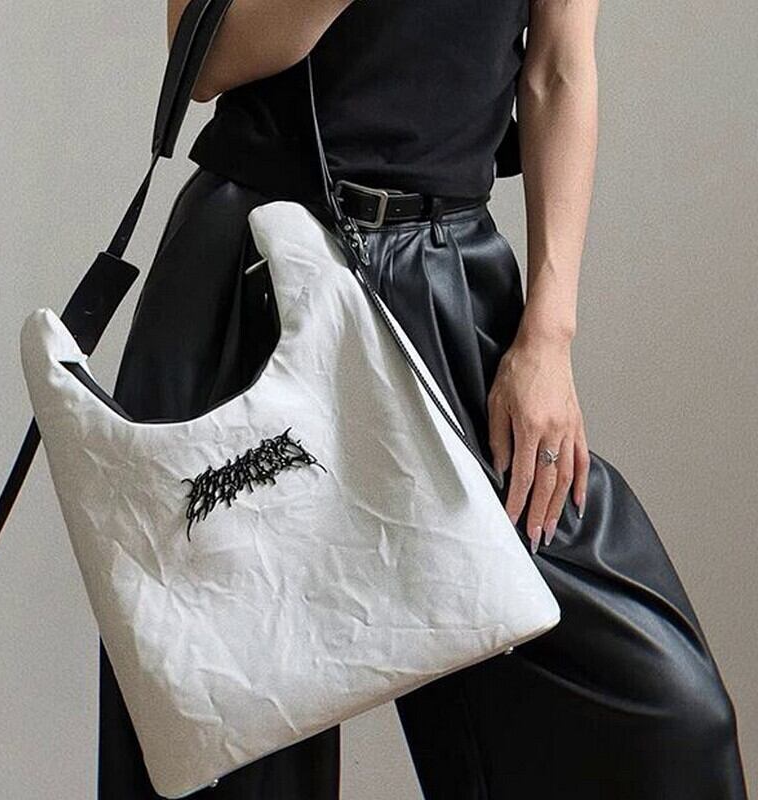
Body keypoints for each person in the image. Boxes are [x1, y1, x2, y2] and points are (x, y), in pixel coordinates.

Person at [97, 1, 749, 797]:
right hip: (250, 274)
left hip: (445, 283)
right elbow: (202, 61)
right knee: (231, 730)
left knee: (666, 715)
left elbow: (558, 72)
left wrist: (549, 337)